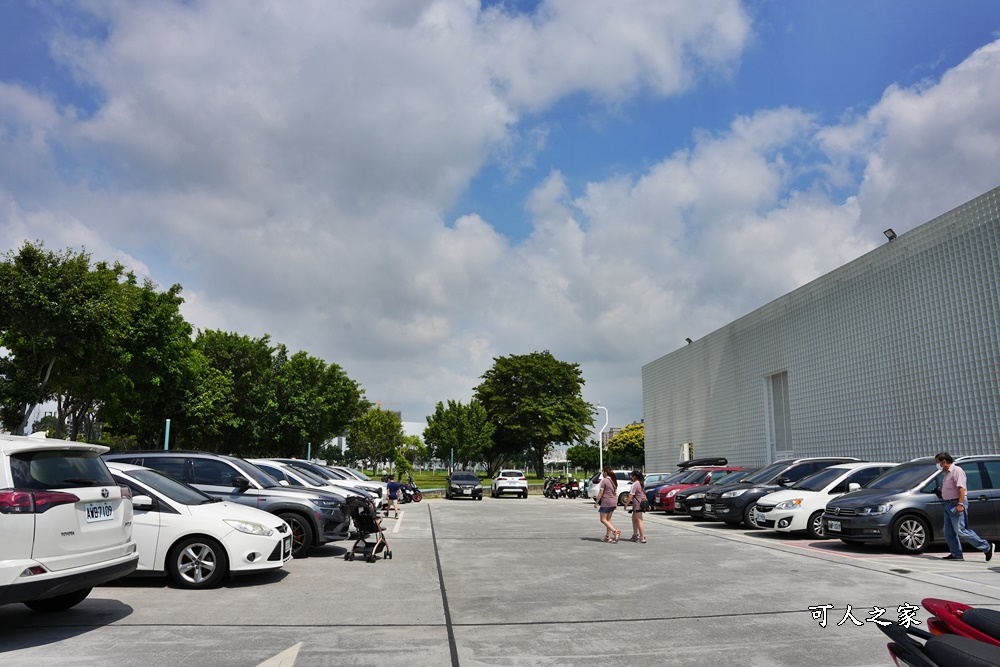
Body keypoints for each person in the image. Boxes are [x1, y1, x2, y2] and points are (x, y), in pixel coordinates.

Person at [935, 452, 994, 562]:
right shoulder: (947, 473)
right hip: (948, 505)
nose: (937, 465)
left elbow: (961, 489)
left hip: (956, 503)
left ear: (944, 461)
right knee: (948, 531)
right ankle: (956, 554)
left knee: (961, 530)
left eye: (938, 463)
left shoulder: (957, 471)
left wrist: (960, 504)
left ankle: (986, 547)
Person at [594, 466, 621, 543]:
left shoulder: (604, 481)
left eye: (603, 471)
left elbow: (601, 492)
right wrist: (615, 503)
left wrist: (596, 502)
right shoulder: (613, 480)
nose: (602, 473)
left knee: (603, 519)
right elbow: (615, 493)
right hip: (612, 502)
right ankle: (608, 536)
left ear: (605, 472)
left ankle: (615, 531)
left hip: (606, 502)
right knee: (608, 520)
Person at [624, 470, 647, 543]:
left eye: (632, 475)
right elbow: (643, 494)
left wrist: (626, 504)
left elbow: (631, 495)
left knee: (639, 520)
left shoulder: (635, 484)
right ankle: (635, 535)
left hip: (637, 504)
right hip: (640, 503)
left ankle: (642, 537)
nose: (631, 477)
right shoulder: (641, 483)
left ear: (634, 476)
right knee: (634, 518)